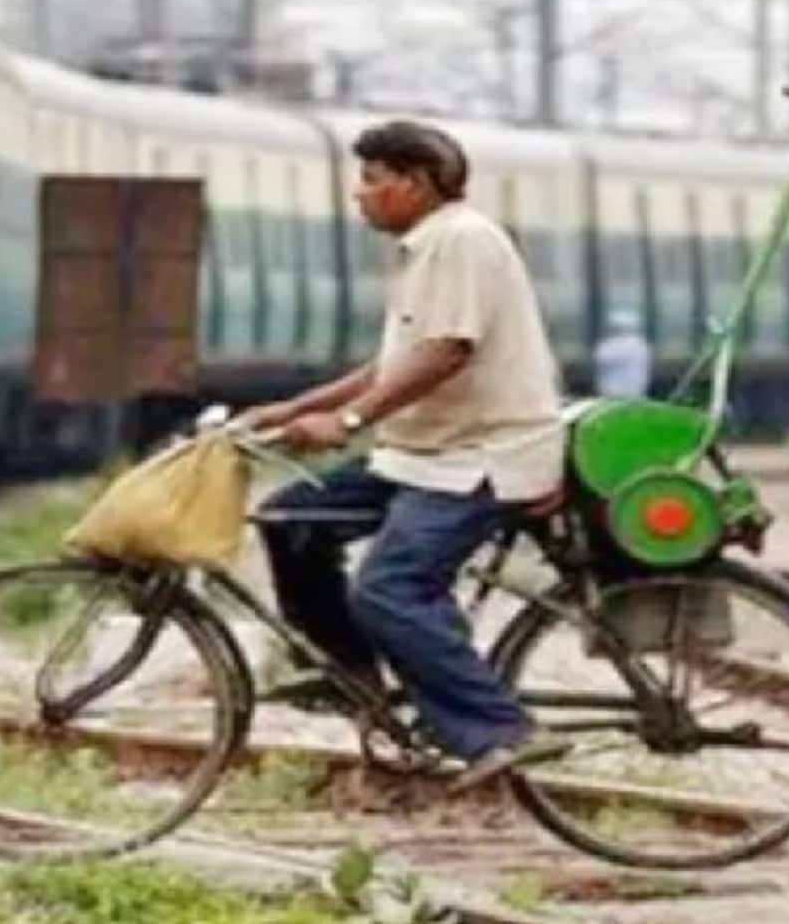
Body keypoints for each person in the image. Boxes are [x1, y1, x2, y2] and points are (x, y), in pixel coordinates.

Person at [238, 119, 571, 790]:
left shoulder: (464, 241)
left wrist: (352, 419)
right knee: (291, 520)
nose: (359, 195)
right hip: (421, 454)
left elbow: (448, 351)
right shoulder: (427, 247)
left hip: (481, 456)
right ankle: (352, 676)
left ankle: (500, 729)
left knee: (391, 587)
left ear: (415, 182)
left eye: (371, 179)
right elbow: (391, 362)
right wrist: (298, 408)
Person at [593, 308, 653, 400]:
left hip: (614, 390)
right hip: (635, 390)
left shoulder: (610, 344)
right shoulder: (641, 344)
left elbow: (600, 359)